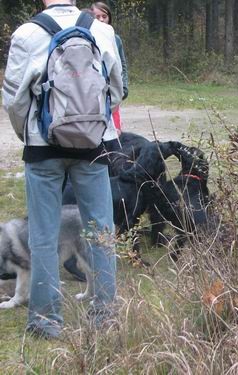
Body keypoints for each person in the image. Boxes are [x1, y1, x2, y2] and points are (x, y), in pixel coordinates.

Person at [1, 0, 123, 339]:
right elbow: (116, 89)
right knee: (101, 233)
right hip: (93, 145)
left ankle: (46, 321)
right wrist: (93, 125)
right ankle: (106, 316)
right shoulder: (103, 30)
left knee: (42, 235)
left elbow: (13, 99)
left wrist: (30, 132)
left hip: (43, 148)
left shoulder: (26, 33)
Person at [91, 2, 128, 135]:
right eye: (97, 17)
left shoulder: (115, 38)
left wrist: (124, 87)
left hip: (112, 90)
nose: (101, 20)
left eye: (104, 16)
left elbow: (121, 65)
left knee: (115, 129)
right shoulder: (88, 36)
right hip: (95, 90)